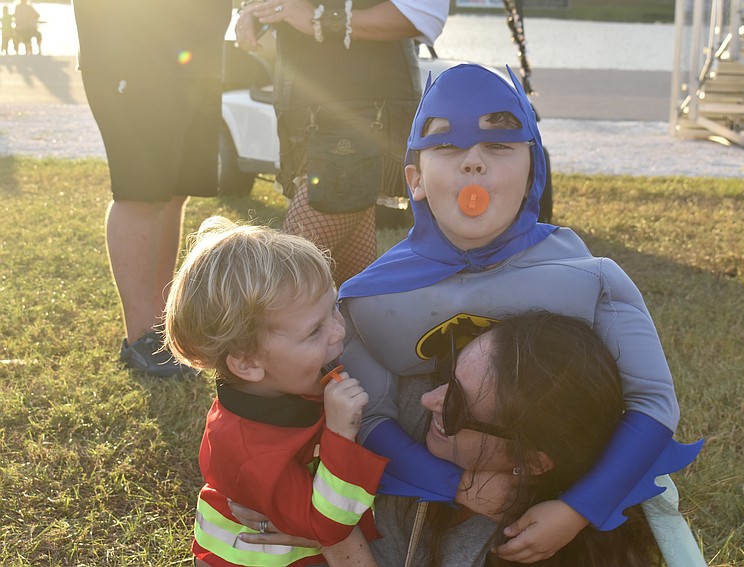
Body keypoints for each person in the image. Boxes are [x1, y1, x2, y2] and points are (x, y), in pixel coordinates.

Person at [330, 63, 702, 564]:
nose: (473, 164)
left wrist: (577, 507)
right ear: (415, 181)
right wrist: (455, 483)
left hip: (562, 478)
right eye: (446, 146)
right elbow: (370, 416)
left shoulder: (589, 278)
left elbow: (652, 404)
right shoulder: (368, 299)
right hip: (424, 494)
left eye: (499, 145)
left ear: (533, 171)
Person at [230, 311, 705, 566]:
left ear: (535, 461)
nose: (429, 400)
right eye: (447, 376)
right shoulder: (407, 413)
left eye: (457, 406)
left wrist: (328, 537)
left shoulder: (539, 536)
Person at [164, 216, 388, 567]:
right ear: (248, 364)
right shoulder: (247, 449)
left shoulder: (281, 383)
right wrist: (340, 434)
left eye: (334, 308)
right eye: (314, 331)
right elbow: (327, 526)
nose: (338, 332)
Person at [234, 0, 449, 285]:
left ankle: (250, 330)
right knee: (350, 280)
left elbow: (424, 12)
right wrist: (254, 11)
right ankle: (354, 329)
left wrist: (321, 20)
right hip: (303, 104)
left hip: (363, 104)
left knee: (289, 267)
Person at [73, 0, 231, 377]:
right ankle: (141, 338)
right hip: (133, 52)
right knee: (141, 193)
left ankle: (163, 328)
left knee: (175, 192)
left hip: (196, 57)